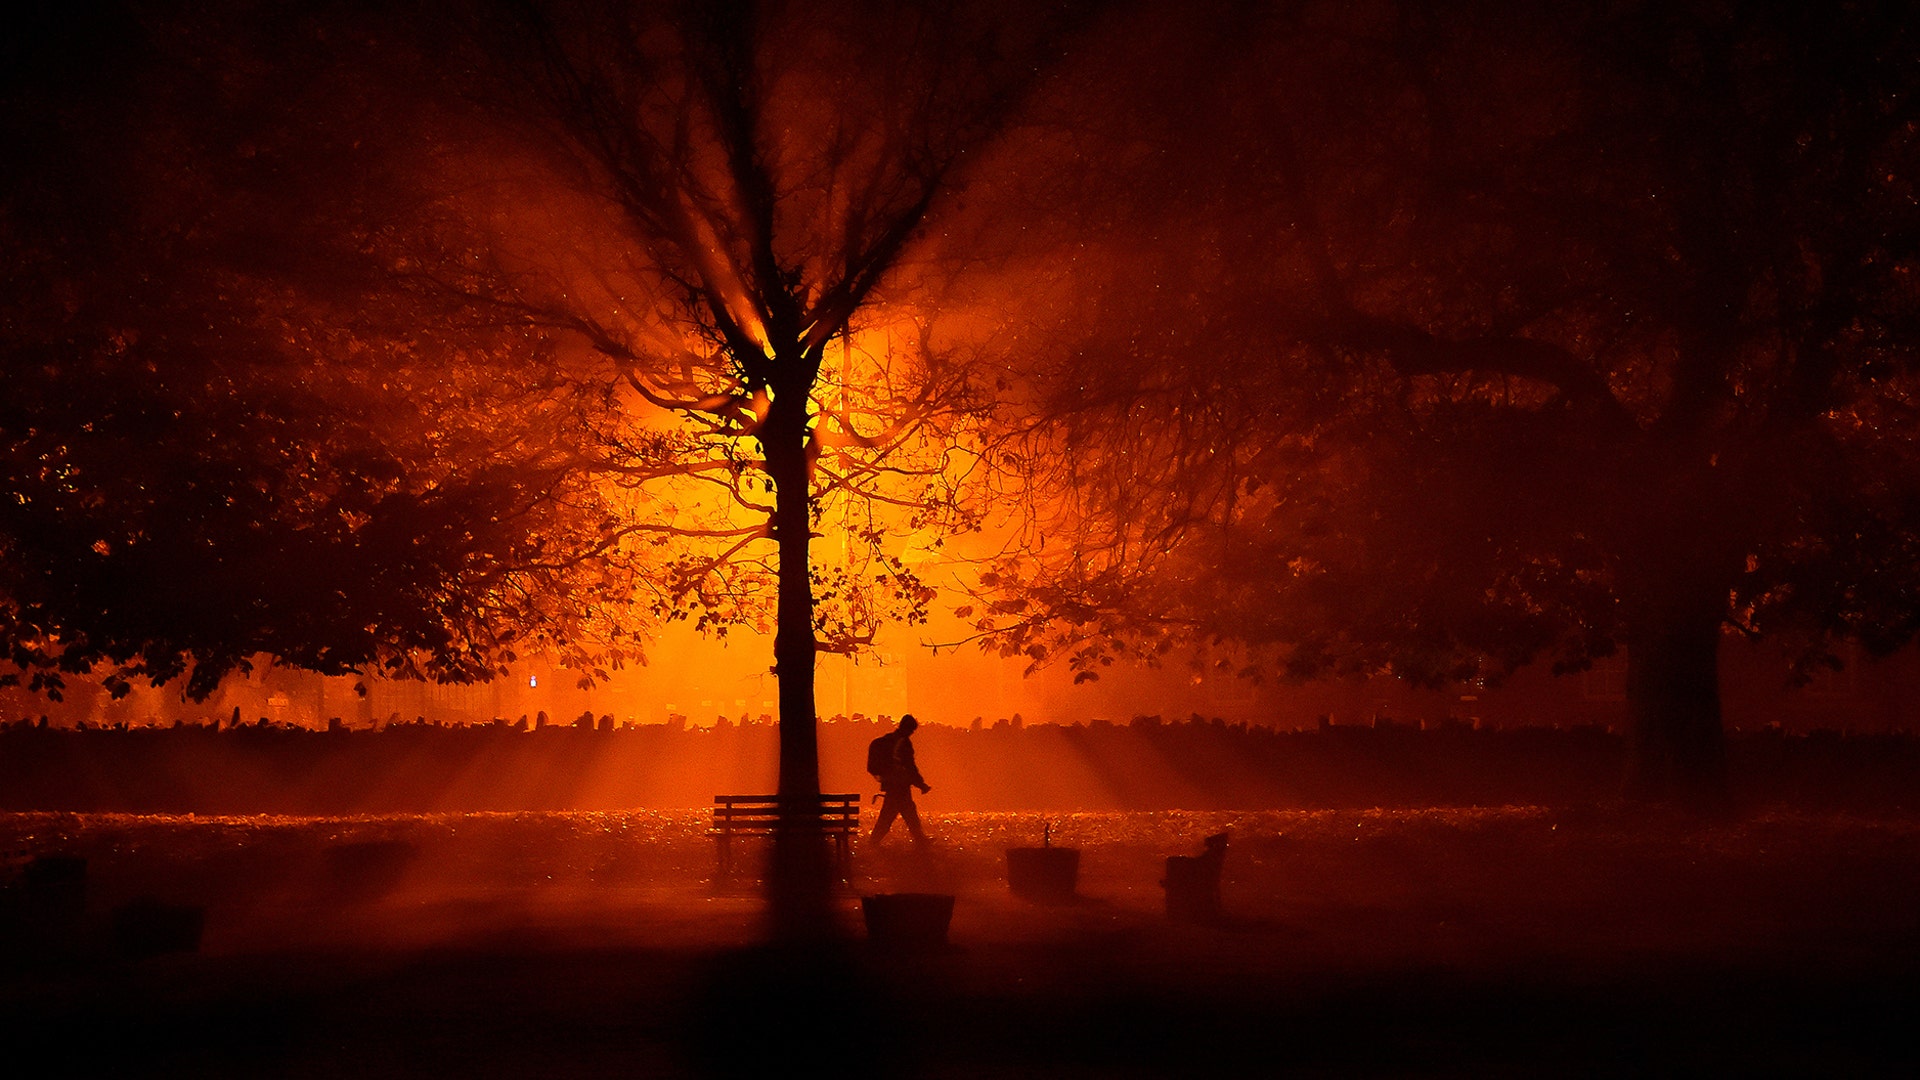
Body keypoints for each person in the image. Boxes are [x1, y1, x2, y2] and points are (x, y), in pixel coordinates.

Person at [869, 713, 931, 845]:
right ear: (909, 728)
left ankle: (920, 839)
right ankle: (874, 841)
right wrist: (921, 784)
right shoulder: (903, 743)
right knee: (901, 814)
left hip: (892, 783)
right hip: (900, 784)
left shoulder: (889, 740)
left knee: (898, 814)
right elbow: (910, 766)